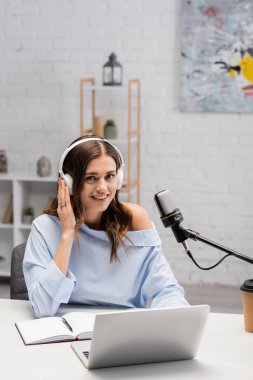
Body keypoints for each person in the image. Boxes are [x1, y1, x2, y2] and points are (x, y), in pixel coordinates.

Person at [23, 135, 189, 317]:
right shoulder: (44, 228)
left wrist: (174, 321)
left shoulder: (135, 220)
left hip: (123, 330)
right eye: (91, 178)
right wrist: (67, 235)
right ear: (68, 184)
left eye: (109, 176)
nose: (103, 187)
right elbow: (42, 309)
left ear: (118, 178)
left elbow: (167, 290)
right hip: (66, 331)